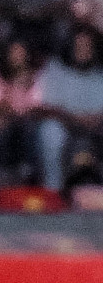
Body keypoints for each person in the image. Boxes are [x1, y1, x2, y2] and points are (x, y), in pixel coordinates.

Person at [35, 26, 103, 191]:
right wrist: (72, 118)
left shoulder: (100, 74)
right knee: (50, 132)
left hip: (98, 125)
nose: (83, 50)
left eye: (87, 46)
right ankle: (54, 190)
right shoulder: (55, 70)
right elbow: (45, 106)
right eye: (79, 46)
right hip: (64, 124)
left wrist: (95, 120)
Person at [0, 36, 41, 184]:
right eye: (14, 51)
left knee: (28, 128)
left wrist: (22, 86)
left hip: (25, 122)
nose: (17, 56)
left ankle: (29, 178)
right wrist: (13, 86)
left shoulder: (35, 75)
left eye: (21, 52)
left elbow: (36, 107)